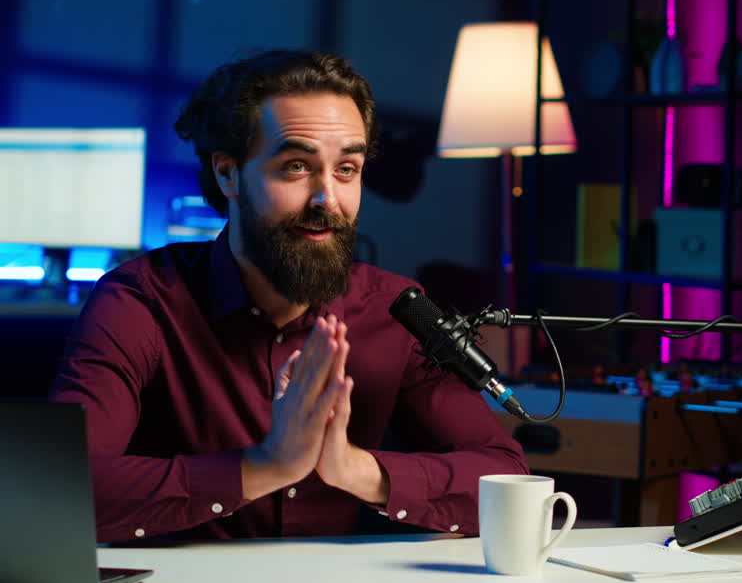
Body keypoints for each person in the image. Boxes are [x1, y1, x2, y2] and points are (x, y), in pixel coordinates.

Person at [48, 50, 528, 543]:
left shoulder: (396, 309)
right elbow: (57, 489)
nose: (327, 199)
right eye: (296, 167)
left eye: (347, 169)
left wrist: (356, 470)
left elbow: (505, 478)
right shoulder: (140, 301)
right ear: (228, 174)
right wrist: (262, 467)